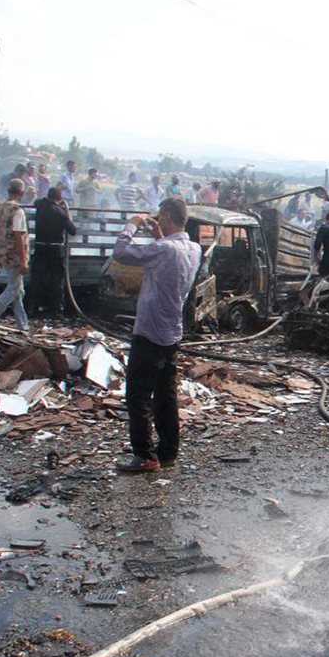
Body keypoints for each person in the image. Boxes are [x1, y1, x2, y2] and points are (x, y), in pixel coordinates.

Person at [113, 198, 202, 473]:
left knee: (138, 395)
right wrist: (158, 236)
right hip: (172, 330)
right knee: (166, 395)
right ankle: (168, 453)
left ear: (166, 217)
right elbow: (167, 257)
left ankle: (145, 455)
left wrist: (132, 225)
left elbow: (121, 253)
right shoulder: (194, 249)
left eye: (161, 217)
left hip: (150, 329)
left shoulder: (163, 249)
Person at [0, 179, 31, 331]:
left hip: (4, 253)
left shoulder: (1, 208)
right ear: (22, 193)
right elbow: (19, 237)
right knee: (12, 289)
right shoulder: (18, 211)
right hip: (15, 255)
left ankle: (23, 325)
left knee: (18, 291)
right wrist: (23, 261)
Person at [31, 186, 77, 316]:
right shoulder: (60, 213)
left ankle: (34, 308)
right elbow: (73, 231)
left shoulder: (40, 206)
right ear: (59, 198)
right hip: (56, 249)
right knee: (56, 280)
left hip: (40, 247)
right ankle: (56, 310)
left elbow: (36, 201)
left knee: (37, 278)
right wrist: (67, 213)